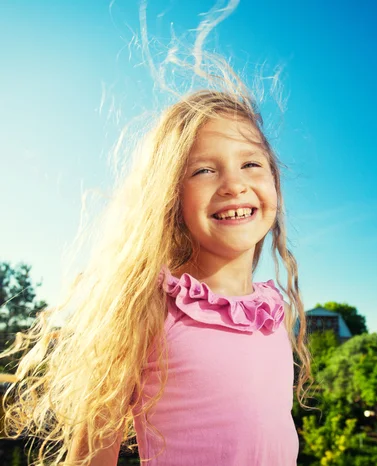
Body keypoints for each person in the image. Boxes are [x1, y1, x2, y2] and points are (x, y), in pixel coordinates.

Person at [0, 88, 311, 465]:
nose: (233, 184)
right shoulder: (148, 310)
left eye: (250, 164)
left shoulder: (273, 314)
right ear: (172, 197)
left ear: (274, 180)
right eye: (204, 171)